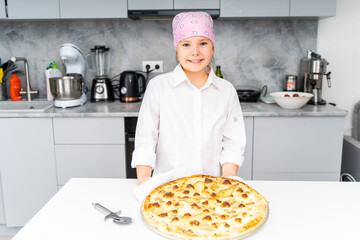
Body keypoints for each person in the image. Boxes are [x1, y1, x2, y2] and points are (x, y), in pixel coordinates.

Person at [131, 11, 246, 184]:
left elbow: (232, 142)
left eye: (203, 43)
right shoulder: (158, 87)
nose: (195, 52)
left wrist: (227, 183)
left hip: (212, 187)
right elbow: (146, 139)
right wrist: (145, 183)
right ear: (177, 50)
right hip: (167, 187)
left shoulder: (227, 91)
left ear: (212, 48)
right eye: (186, 45)